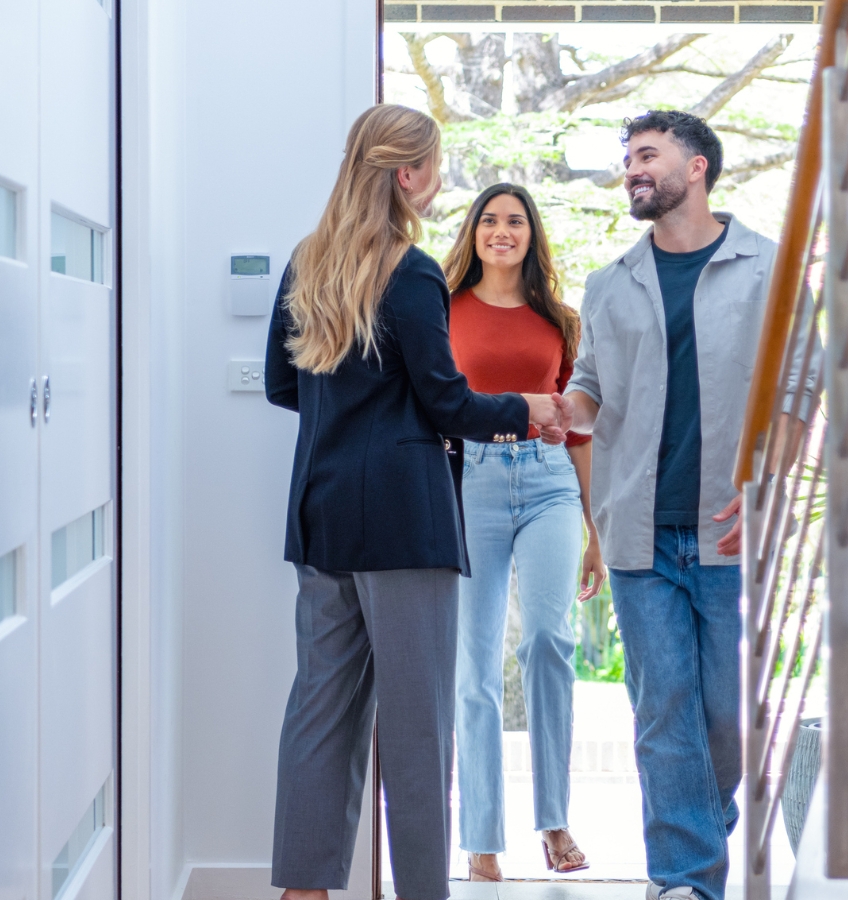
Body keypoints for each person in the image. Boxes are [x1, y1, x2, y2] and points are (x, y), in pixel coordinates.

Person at [264, 105, 567, 900]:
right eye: (433, 167)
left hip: (321, 516)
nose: (438, 182)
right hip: (404, 523)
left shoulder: (307, 260)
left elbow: (280, 385)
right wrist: (526, 410)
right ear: (407, 175)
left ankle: (304, 891)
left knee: (319, 712)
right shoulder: (412, 270)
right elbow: (447, 402)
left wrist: (357, 417)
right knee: (417, 727)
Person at [559, 110, 792, 900]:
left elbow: (800, 386)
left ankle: (698, 823)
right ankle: (685, 879)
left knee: (722, 718)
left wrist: (770, 487)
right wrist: (567, 408)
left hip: (725, 527)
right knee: (664, 714)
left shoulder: (769, 269)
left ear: (697, 168)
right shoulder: (609, 283)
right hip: (638, 532)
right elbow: (590, 387)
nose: (633, 169)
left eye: (647, 156)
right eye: (628, 158)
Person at [439, 183, 603, 881]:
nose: (501, 231)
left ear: (532, 237)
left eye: (515, 222)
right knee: (473, 666)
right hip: (470, 479)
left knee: (548, 639)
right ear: (473, 233)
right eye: (489, 220)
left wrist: (593, 524)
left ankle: (555, 819)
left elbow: (579, 429)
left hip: (548, 483)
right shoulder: (439, 311)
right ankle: (480, 836)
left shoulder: (559, 321)